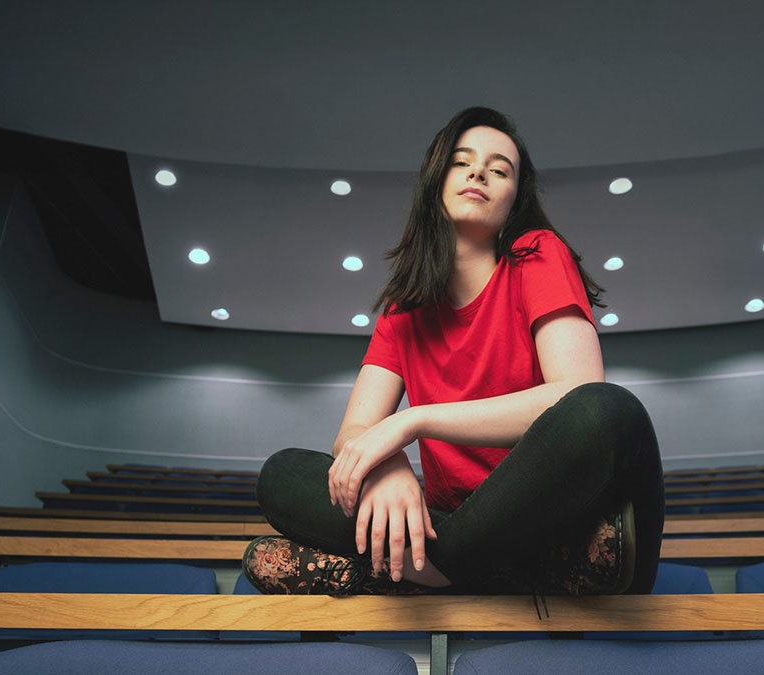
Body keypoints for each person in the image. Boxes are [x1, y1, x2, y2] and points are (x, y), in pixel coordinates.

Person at [246, 107, 663, 596]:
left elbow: (577, 395)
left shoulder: (537, 253)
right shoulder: (404, 310)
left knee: (610, 410)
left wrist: (411, 422)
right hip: (459, 523)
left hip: (561, 514)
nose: (479, 172)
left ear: (513, 198)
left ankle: (423, 572)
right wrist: (391, 469)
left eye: (500, 169)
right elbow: (352, 437)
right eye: (462, 161)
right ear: (435, 181)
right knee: (283, 473)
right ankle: (490, 569)